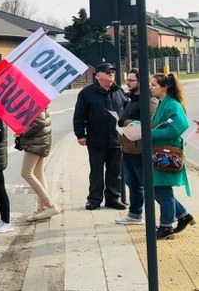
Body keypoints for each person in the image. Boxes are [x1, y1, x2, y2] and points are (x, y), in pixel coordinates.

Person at [73, 63, 129, 210]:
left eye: (113, 71)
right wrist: (80, 135)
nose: (111, 74)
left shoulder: (119, 92)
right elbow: (79, 115)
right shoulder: (87, 93)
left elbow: (128, 113)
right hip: (96, 139)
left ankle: (113, 198)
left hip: (117, 139)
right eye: (107, 72)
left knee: (115, 171)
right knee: (96, 171)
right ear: (98, 75)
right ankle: (94, 199)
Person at [147, 73, 194, 239]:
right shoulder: (162, 103)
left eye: (153, 84)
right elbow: (158, 124)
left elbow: (179, 128)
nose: (150, 87)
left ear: (165, 87)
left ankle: (166, 227)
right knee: (159, 188)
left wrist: (149, 133)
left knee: (161, 190)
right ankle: (183, 216)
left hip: (167, 154)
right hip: (160, 152)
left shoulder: (172, 105)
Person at [115, 70, 156, 226]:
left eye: (131, 80)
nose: (128, 82)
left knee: (148, 185)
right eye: (128, 79)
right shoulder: (131, 99)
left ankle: (179, 213)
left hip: (140, 150)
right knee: (131, 182)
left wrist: (125, 123)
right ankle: (134, 214)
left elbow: (151, 123)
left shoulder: (149, 101)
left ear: (140, 82)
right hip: (128, 147)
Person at [18, 107, 58, 221]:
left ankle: (50, 205)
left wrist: (22, 132)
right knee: (38, 173)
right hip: (41, 141)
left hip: (35, 143)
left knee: (26, 173)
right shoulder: (40, 99)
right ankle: (42, 207)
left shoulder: (36, 101)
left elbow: (39, 122)